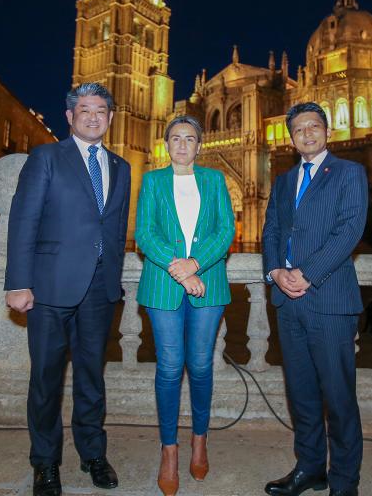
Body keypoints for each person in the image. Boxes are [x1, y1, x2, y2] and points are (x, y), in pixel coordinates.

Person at [4, 82, 130, 496]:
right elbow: (24, 221)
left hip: (99, 288)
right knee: (46, 378)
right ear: (70, 116)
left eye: (101, 111)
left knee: (92, 377)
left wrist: (114, 277)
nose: (94, 116)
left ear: (111, 118)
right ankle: (45, 462)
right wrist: (19, 282)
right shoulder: (46, 157)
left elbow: (111, 228)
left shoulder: (121, 165)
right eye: (85, 110)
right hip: (49, 287)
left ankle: (93, 453)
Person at [261, 102, 368, 496]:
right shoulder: (284, 180)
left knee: (338, 396)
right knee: (301, 394)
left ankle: (344, 481)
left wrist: (306, 273)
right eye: (299, 129)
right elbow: (271, 228)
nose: (307, 133)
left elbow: (350, 229)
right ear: (291, 137)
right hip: (288, 301)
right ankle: (309, 469)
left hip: (329, 298)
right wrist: (274, 271)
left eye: (314, 126)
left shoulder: (349, 173)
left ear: (327, 131)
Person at [135, 115, 235, 496]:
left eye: (189, 138)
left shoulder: (214, 180)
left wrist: (196, 264)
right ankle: (170, 451)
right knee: (170, 367)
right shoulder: (153, 181)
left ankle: (199, 440)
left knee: (201, 365)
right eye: (175, 138)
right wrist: (181, 270)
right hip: (163, 285)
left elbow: (226, 230)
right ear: (166, 144)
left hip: (208, 282)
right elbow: (145, 233)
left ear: (199, 145)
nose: (182, 144)